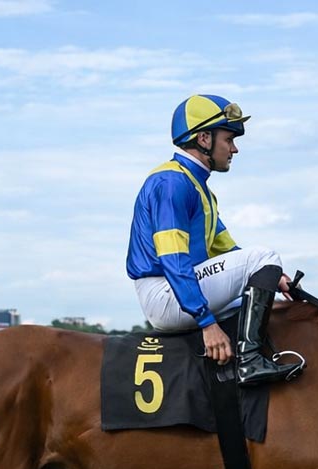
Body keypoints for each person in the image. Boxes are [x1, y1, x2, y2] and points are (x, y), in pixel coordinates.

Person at [126, 93, 300, 386]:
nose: (234, 149)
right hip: (167, 292)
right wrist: (207, 323)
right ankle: (250, 362)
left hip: (182, 289)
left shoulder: (199, 188)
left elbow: (228, 250)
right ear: (204, 138)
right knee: (264, 255)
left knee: (266, 294)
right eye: (229, 139)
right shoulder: (172, 183)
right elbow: (173, 260)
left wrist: (274, 276)